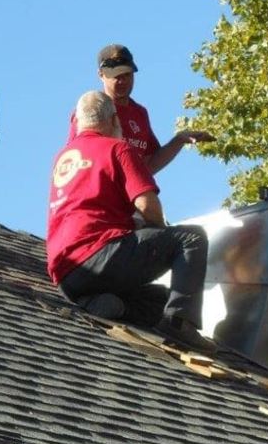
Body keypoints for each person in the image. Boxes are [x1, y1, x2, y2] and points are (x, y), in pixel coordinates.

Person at [48, 90, 215, 353]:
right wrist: (157, 233)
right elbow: (147, 204)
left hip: (68, 277)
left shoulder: (63, 158)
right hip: (102, 255)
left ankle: (108, 304)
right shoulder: (117, 148)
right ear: (115, 120)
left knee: (161, 300)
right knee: (191, 238)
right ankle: (181, 324)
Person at [68, 44, 214, 174]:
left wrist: (179, 140)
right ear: (101, 75)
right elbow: (74, 161)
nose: (122, 81)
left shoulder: (139, 113)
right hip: (104, 198)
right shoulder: (89, 110)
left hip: (131, 200)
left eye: (127, 74)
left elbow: (149, 165)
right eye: (116, 76)